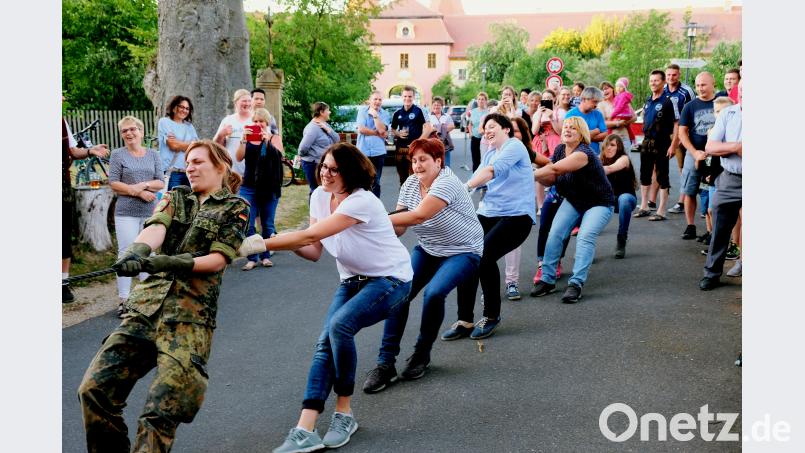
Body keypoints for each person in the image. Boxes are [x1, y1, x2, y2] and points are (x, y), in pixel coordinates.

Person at [78, 140, 249, 453]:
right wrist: (138, 250)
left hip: (189, 318)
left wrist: (168, 262)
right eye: (188, 162)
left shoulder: (235, 207)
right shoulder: (176, 196)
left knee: (163, 408)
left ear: (220, 166)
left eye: (198, 162)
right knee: (94, 389)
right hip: (145, 308)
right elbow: (157, 227)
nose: (190, 168)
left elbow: (218, 260)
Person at [263, 143, 413, 452]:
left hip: (391, 280)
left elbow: (309, 236)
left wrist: (260, 244)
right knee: (325, 343)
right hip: (352, 280)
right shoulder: (320, 196)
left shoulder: (362, 201)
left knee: (339, 326)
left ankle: (344, 413)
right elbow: (312, 250)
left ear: (351, 173)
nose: (325, 173)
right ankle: (305, 429)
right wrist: (281, 241)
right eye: (323, 166)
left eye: (335, 169)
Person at [362, 138, 484, 392]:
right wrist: (366, 233)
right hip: (429, 249)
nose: (417, 165)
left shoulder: (447, 182)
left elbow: (419, 216)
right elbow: (399, 225)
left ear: (438, 161)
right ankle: (385, 363)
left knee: (434, 293)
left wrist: (372, 219)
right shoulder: (410, 184)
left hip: (464, 250)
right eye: (414, 160)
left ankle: (421, 354)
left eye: (423, 160)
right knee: (400, 292)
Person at [449, 113, 536, 340]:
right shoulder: (489, 153)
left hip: (517, 216)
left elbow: (488, 173)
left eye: (492, 126)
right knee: (467, 256)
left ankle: (491, 316)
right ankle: (464, 320)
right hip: (489, 213)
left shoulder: (514, 146)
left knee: (484, 257)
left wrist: (466, 187)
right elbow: (479, 176)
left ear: (506, 129)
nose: (487, 131)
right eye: (485, 128)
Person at [532, 117, 615, 303]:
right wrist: (534, 168)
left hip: (599, 202)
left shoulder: (583, 153)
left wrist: (526, 175)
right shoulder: (560, 150)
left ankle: (576, 284)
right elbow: (551, 179)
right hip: (575, 200)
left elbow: (554, 169)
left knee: (585, 236)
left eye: (573, 128)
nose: (567, 130)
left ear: (582, 134)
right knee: (555, 234)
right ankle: (547, 279)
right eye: (566, 127)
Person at [108, 116, 164, 316]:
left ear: (141, 131)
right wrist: (139, 192)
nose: (129, 133)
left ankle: (146, 298)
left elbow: (160, 182)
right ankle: (124, 300)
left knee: (148, 253)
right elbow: (114, 183)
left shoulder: (154, 154)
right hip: (126, 212)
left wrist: (144, 185)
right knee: (126, 253)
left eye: (133, 129)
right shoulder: (118, 155)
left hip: (150, 212)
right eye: (124, 131)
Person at [699, 81, 742, 290]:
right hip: (729, 178)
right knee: (719, 228)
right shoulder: (728, 114)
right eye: (741, 90)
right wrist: (736, 147)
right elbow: (710, 146)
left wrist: (726, 148)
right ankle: (712, 273)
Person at [62, 116, 110, 303]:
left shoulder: (61, 122)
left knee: (63, 235)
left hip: (61, 186)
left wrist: (90, 150)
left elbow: (73, 151)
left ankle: (63, 283)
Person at [236, 108, 284, 270]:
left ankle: (265, 256)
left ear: (267, 122)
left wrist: (267, 141)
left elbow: (279, 157)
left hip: (269, 187)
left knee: (267, 224)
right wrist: (243, 140)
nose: (258, 124)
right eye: (255, 121)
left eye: (261, 121)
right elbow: (238, 157)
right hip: (248, 186)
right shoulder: (248, 138)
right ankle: (252, 257)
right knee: (248, 224)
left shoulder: (274, 138)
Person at [502, 117, 541, 300]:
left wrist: (533, 175)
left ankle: (512, 282)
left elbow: (549, 165)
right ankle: (488, 286)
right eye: (508, 130)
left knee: (512, 244)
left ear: (524, 134)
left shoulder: (527, 153)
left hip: (517, 207)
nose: (511, 134)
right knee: (487, 248)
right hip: (495, 206)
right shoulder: (497, 151)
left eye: (516, 131)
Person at [633, 70, 679, 221]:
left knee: (662, 176)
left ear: (663, 82)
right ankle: (644, 206)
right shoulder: (648, 100)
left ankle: (661, 210)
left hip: (662, 142)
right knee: (645, 174)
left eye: (656, 80)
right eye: (651, 80)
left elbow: (677, 123)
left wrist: (673, 145)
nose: (653, 83)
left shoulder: (669, 101)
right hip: (647, 142)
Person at [678, 72, 717, 241]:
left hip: (716, 154)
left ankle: (712, 230)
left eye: (704, 84)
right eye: (698, 85)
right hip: (694, 152)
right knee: (689, 190)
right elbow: (682, 132)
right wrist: (694, 152)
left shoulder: (721, 103)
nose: (700, 88)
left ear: (713, 84)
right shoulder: (690, 106)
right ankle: (690, 226)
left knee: (713, 191)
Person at [600, 135, 637, 258]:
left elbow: (610, 169)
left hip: (627, 199)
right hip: (608, 200)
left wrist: (591, 169)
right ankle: (585, 246)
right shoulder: (600, 159)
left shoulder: (624, 159)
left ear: (619, 147)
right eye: (606, 145)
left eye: (613, 145)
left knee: (624, 199)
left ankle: (622, 238)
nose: (609, 148)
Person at [298, 101, 340, 193]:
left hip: (323, 163)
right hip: (313, 164)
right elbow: (302, 148)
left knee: (324, 191)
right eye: (328, 110)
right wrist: (310, 157)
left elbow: (337, 139)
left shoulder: (325, 124)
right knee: (316, 191)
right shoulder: (312, 128)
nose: (330, 112)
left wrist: (328, 129)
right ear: (321, 112)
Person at [158, 95, 199, 189]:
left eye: (187, 108)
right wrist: (190, 144)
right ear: (173, 107)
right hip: (172, 173)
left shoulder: (189, 126)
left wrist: (179, 143)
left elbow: (197, 147)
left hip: (189, 172)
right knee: (172, 198)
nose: (184, 110)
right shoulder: (164, 122)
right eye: (181, 107)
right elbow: (173, 145)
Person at [390, 86, 428, 185]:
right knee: (402, 178)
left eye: (410, 96)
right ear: (401, 97)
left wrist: (417, 142)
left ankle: (417, 195)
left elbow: (428, 129)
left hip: (415, 149)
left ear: (414, 97)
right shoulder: (397, 113)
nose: (407, 98)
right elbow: (393, 129)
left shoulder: (419, 110)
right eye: (405, 96)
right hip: (401, 149)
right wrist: (398, 133)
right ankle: (403, 194)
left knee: (416, 177)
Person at [356, 90, 390, 197]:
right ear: (370, 100)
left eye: (380, 99)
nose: (377, 102)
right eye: (375, 99)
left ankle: (375, 204)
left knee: (376, 181)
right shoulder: (362, 111)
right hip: (363, 152)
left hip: (378, 152)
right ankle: (363, 203)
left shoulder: (385, 114)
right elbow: (361, 129)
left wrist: (375, 116)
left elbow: (382, 130)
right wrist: (377, 133)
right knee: (361, 180)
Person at [214, 88, 254, 176]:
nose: (247, 104)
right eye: (244, 101)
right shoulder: (228, 120)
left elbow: (265, 145)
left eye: (249, 101)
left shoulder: (256, 120)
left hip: (251, 171)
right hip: (231, 170)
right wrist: (221, 135)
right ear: (236, 102)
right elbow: (216, 146)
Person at [564, 86, 608, 153]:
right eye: (594, 102)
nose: (596, 105)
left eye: (597, 102)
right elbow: (570, 137)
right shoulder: (571, 114)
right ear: (584, 99)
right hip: (576, 154)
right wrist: (596, 131)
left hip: (595, 154)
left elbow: (605, 135)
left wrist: (583, 136)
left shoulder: (598, 114)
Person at [598, 81, 635, 152]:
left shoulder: (622, 99)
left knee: (626, 158)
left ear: (612, 89)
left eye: (606, 88)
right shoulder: (601, 104)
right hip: (610, 139)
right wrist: (617, 123)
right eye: (602, 90)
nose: (604, 91)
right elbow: (602, 123)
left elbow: (634, 117)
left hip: (624, 137)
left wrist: (624, 122)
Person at [428, 96, 455, 167]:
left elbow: (452, 126)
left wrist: (437, 128)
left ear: (442, 106)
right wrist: (442, 127)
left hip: (444, 143)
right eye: (435, 105)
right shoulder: (428, 116)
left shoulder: (447, 116)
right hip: (432, 143)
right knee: (433, 164)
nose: (436, 106)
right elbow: (427, 129)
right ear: (432, 106)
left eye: (438, 105)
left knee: (446, 165)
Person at [467, 91, 490, 171]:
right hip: (475, 138)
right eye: (479, 99)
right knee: (475, 160)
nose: (480, 101)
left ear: (486, 101)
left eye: (482, 99)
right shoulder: (473, 111)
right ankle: (475, 176)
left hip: (485, 139)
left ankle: (484, 176)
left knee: (484, 159)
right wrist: (470, 133)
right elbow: (470, 124)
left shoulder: (488, 112)